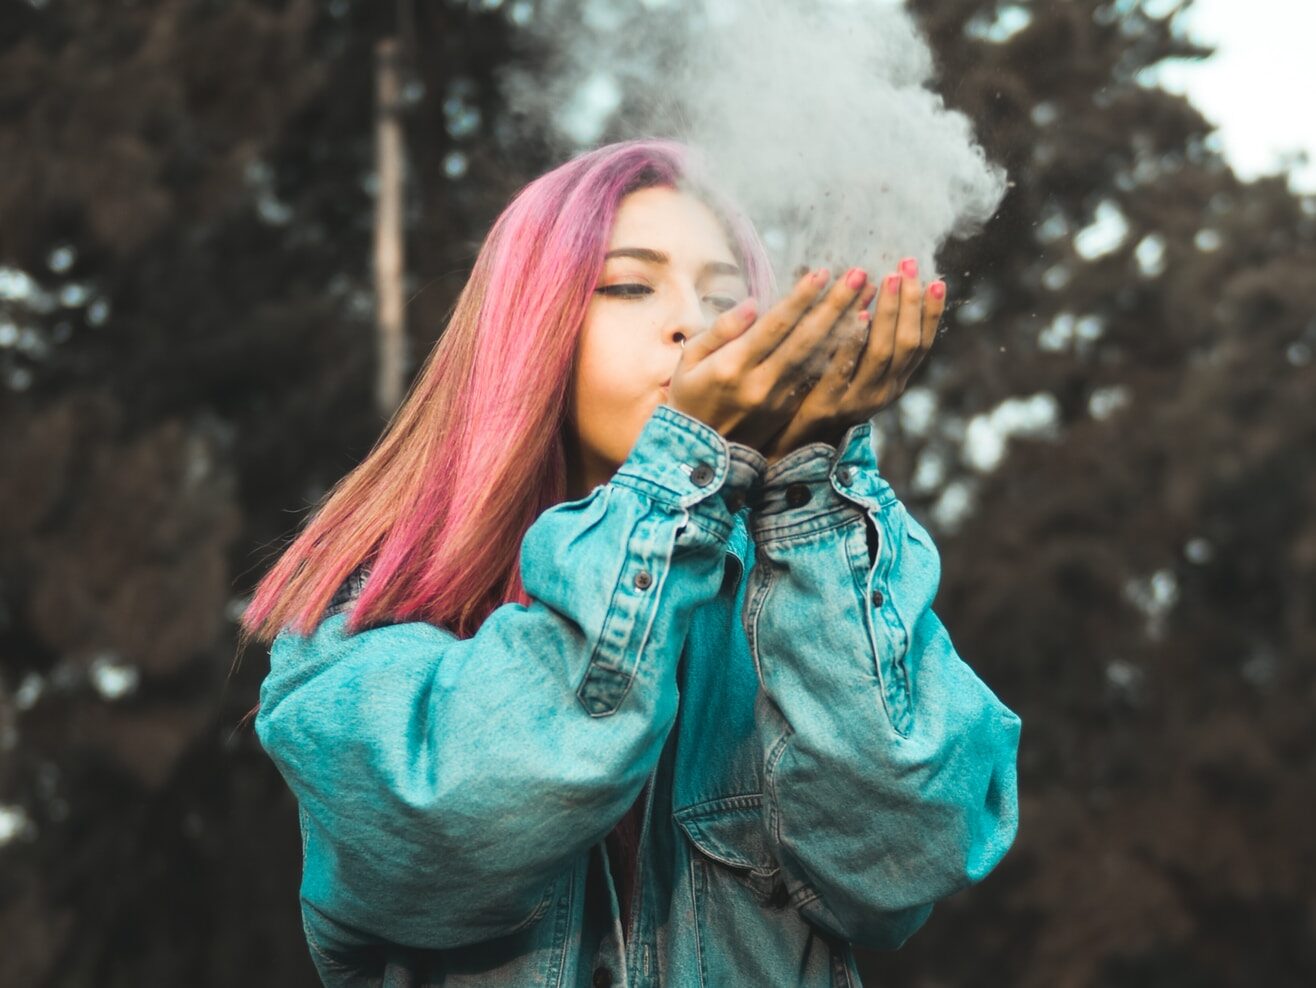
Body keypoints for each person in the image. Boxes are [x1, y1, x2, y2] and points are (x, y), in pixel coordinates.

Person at [238, 137, 1021, 987]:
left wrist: (818, 478)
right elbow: (451, 823)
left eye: (727, 296)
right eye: (628, 284)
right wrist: (681, 469)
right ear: (529, 328)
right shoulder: (363, 623)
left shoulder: (803, 609)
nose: (695, 322)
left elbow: (903, 860)